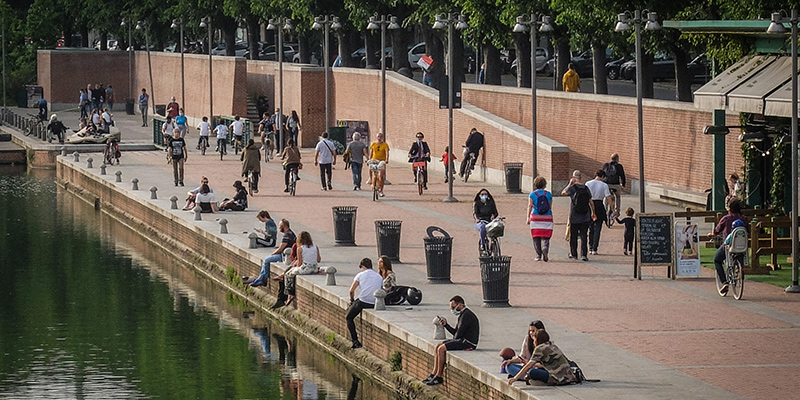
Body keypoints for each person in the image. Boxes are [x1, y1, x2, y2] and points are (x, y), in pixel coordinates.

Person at [423, 295, 480, 386]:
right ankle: (433, 373)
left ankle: (439, 376)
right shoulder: (462, 314)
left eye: (453, 307)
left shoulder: (466, 316)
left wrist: (450, 342)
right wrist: (446, 325)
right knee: (437, 346)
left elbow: (457, 335)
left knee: (441, 349)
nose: (452, 309)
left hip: (468, 342)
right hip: (462, 339)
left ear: (460, 305)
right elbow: (456, 333)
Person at [507, 330, 577, 386]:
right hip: (568, 376)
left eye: (534, 339)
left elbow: (529, 365)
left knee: (532, 372)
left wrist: (515, 378)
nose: (533, 342)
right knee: (533, 370)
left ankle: (527, 378)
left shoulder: (540, 348)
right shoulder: (553, 346)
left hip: (556, 378)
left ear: (537, 339)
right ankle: (527, 377)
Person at [707, 199, 747, 295]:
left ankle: (724, 282)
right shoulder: (744, 219)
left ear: (729, 208)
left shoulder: (726, 219)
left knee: (717, 260)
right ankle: (738, 271)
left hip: (728, 246)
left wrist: (711, 234)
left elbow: (717, 230)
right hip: (742, 246)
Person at [346, 258, 384, 349]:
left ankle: (355, 340)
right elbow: (381, 289)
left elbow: (351, 291)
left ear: (363, 266)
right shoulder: (379, 276)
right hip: (374, 302)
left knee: (348, 317)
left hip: (363, 301)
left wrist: (352, 300)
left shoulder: (360, 275)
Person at [250, 219, 296, 287]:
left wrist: (273, 254)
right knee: (266, 259)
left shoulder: (287, 235)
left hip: (284, 256)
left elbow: (281, 248)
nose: (279, 228)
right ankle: (261, 278)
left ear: (283, 226)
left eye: (280, 226)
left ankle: (262, 279)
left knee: (266, 260)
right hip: (285, 255)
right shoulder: (291, 233)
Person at [281, 231, 322, 306]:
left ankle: (290, 295)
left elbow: (299, 264)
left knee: (288, 274)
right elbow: (318, 260)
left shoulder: (300, 249)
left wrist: (294, 266)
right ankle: (289, 296)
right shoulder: (315, 246)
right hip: (314, 268)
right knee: (291, 272)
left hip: (305, 269)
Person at [562, 171, 595, 261]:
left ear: (573, 177)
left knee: (574, 236)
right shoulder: (585, 188)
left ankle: (574, 254)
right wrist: (593, 213)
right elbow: (591, 202)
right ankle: (584, 255)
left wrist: (569, 184)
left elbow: (563, 193)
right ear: (581, 177)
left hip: (574, 215)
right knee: (584, 235)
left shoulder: (573, 188)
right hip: (585, 215)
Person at [585, 170, 614, 255]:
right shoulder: (604, 185)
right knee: (598, 228)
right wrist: (612, 209)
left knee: (590, 228)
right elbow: (608, 198)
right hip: (599, 205)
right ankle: (595, 248)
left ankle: (590, 246)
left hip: (590, 205)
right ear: (603, 176)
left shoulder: (588, 183)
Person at [527, 177, 553, 262]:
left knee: (536, 236)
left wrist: (528, 217)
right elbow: (549, 206)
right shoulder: (548, 194)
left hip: (535, 217)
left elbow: (530, 206)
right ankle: (545, 247)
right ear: (545, 184)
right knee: (546, 235)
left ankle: (538, 255)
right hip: (547, 217)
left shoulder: (532, 194)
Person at [368, 132, 390, 197]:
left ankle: (381, 190)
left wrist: (386, 159)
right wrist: (369, 159)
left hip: (381, 161)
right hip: (374, 160)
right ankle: (370, 179)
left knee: (381, 176)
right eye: (378, 137)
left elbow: (387, 152)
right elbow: (371, 153)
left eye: (380, 137)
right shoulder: (373, 144)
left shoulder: (385, 145)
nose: (379, 138)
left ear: (382, 138)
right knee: (370, 169)